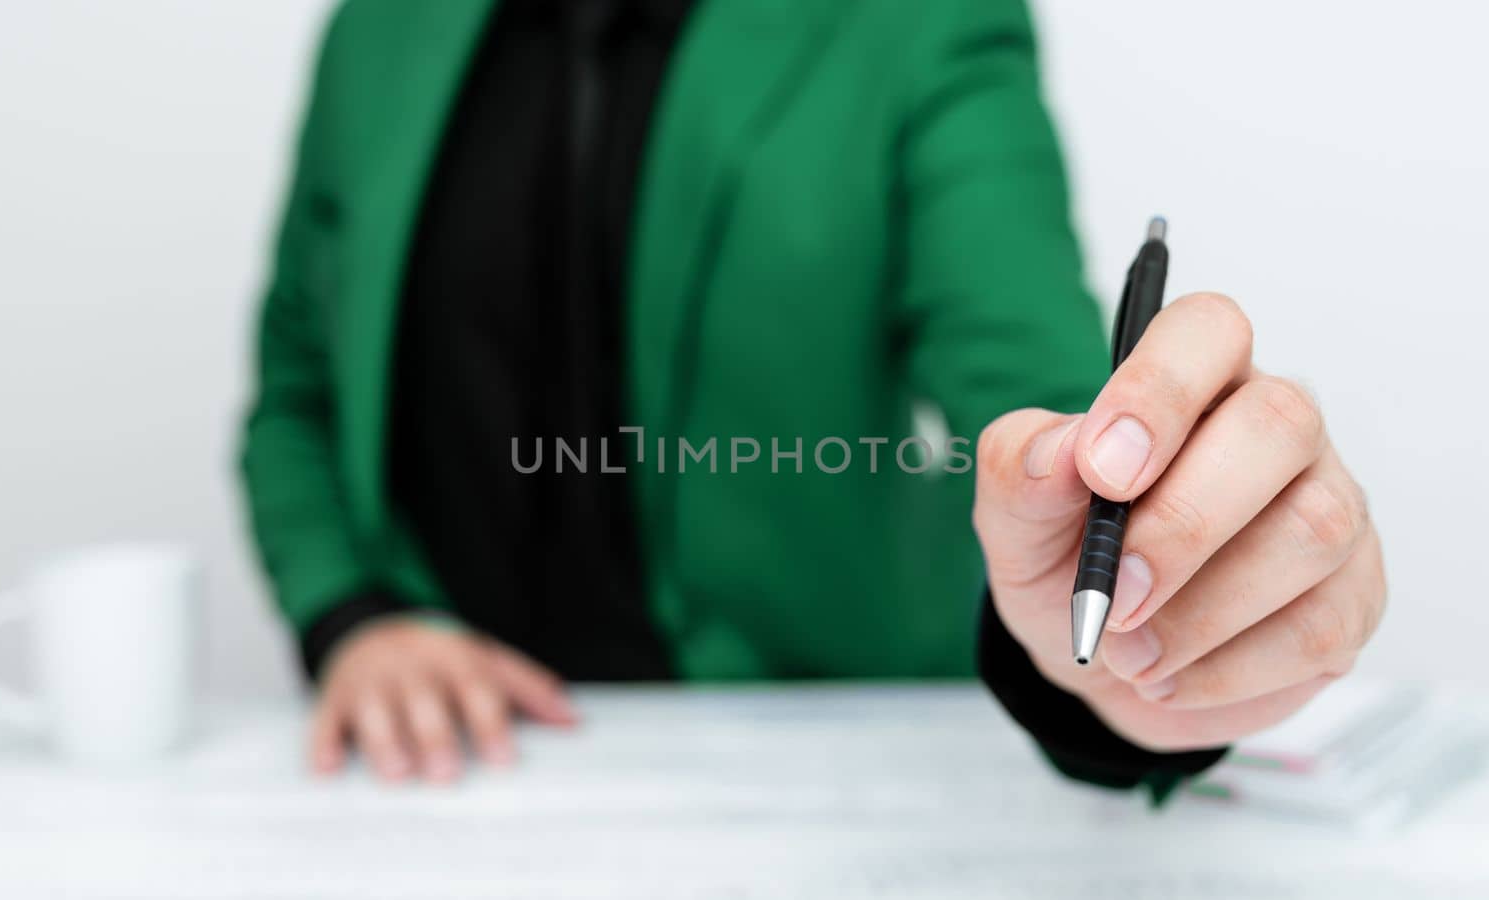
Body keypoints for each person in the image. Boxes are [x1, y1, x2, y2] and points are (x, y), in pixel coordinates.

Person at [240, 0, 1385, 796]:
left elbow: (1035, 406)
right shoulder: (376, 33)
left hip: (801, 755)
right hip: (449, 771)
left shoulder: (911, 22)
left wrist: (1132, 636)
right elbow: (295, 390)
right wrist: (354, 618)